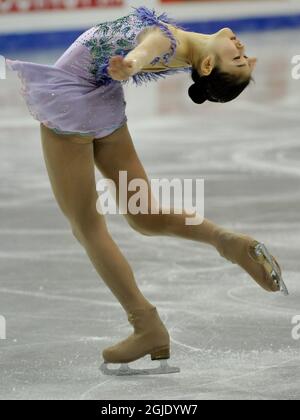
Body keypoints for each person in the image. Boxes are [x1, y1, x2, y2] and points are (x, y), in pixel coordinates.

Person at [6, 6, 288, 376]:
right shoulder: (185, 50)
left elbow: (149, 45)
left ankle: (145, 325)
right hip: (103, 101)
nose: (242, 48)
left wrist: (133, 63)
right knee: (144, 214)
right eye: (244, 56)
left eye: (238, 59)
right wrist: (131, 65)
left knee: (87, 226)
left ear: (206, 68)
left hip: (71, 99)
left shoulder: (170, 42)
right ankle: (226, 241)